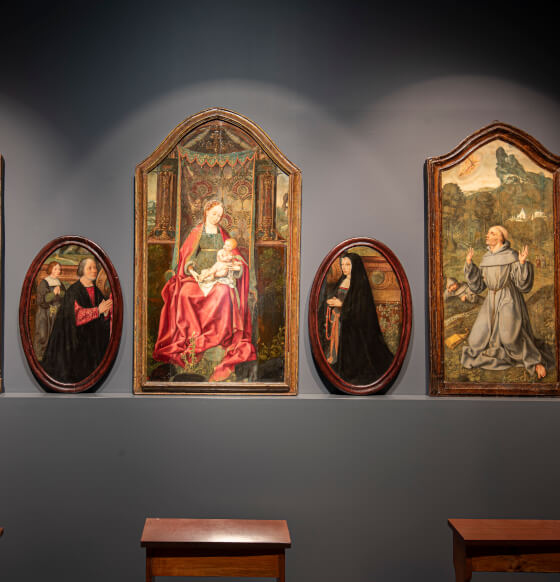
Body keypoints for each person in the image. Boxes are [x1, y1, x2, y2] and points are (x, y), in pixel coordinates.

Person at [153, 200, 256, 381]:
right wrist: (194, 273)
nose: (217, 218)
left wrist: (237, 267)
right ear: (206, 212)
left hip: (219, 278)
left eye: (220, 215)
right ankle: (191, 337)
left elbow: (236, 257)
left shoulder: (223, 235)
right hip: (197, 276)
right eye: (214, 213)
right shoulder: (196, 232)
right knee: (185, 293)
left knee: (224, 293)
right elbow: (188, 257)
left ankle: (218, 337)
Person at [461, 225, 547, 378]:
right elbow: (479, 285)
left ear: (500, 238)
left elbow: (522, 285)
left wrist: (521, 264)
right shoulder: (486, 258)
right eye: (488, 233)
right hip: (491, 301)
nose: (487, 235)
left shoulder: (511, 255)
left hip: (508, 299)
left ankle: (534, 361)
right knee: (475, 341)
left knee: (510, 338)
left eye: (491, 233)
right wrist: (469, 264)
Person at [322, 252, 394, 385]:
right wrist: (332, 301)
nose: (344, 267)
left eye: (347, 265)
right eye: (342, 264)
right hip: (339, 320)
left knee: (354, 357)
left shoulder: (360, 283)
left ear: (355, 266)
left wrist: (341, 305)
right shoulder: (342, 280)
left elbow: (360, 308)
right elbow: (338, 295)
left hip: (353, 328)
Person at [41, 257, 113, 383]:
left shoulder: (96, 291)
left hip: (92, 343)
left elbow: (103, 317)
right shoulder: (73, 291)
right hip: (75, 342)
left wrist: (106, 312)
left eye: (95, 268)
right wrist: (98, 311)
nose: (94, 270)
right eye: (90, 268)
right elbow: (76, 316)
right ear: (82, 270)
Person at [33, 261, 65, 361]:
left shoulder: (60, 283)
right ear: (51, 269)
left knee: (55, 334)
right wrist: (53, 293)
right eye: (56, 269)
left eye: (59, 269)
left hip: (57, 312)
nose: (58, 271)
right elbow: (41, 300)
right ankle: (40, 356)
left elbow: (65, 296)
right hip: (45, 312)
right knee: (43, 335)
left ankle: (52, 356)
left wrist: (60, 293)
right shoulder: (44, 283)